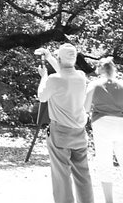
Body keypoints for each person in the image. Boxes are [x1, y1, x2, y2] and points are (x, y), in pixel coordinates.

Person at [38, 43, 94, 203]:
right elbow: (65, 73)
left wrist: (43, 76)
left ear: (60, 59)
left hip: (60, 134)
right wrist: (49, 57)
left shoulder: (54, 79)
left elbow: (42, 97)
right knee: (83, 176)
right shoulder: (81, 76)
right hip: (79, 133)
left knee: (61, 177)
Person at [86, 58, 123, 203]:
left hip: (101, 124)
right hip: (121, 124)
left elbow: (86, 108)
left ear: (99, 70)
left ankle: (109, 201)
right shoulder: (121, 84)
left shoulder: (94, 85)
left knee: (104, 162)